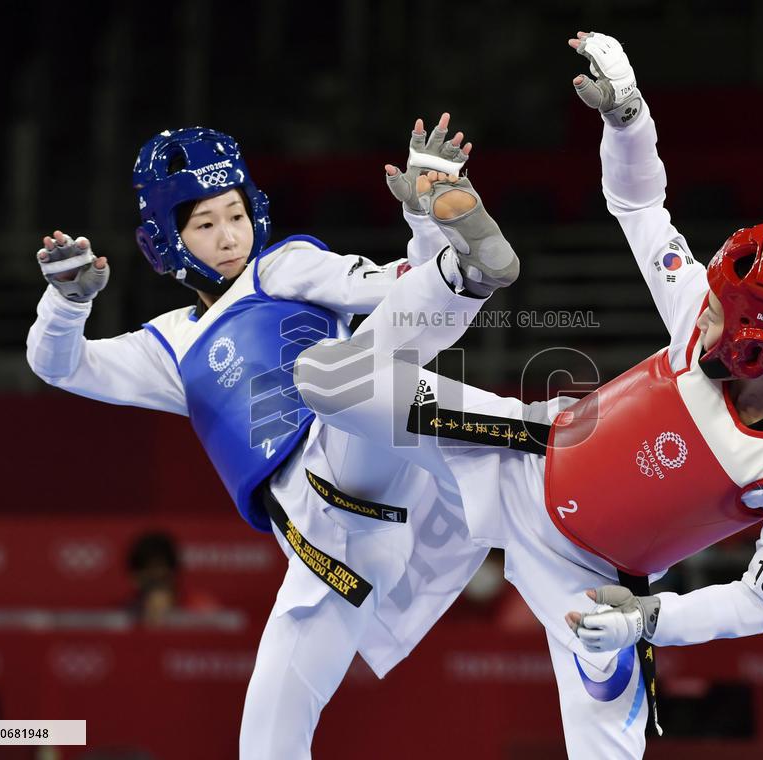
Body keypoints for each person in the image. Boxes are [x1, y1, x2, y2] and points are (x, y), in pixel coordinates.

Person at [295, 31, 763, 758]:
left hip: (593, 584)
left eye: (720, 311)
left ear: (762, 344)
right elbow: (640, 206)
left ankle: (602, 658)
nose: (701, 306)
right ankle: (450, 257)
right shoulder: (702, 312)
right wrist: (628, 120)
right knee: (327, 375)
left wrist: (647, 620)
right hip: (520, 452)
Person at [26, 119, 519, 758]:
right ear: (166, 243)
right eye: (204, 224)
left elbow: (398, 289)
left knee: (356, 373)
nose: (229, 236)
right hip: (328, 555)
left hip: (352, 453)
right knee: (265, 745)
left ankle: (466, 270)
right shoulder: (169, 347)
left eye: (235, 214)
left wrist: (428, 221)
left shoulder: (285, 267)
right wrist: (66, 303)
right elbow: (57, 365)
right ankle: (460, 269)